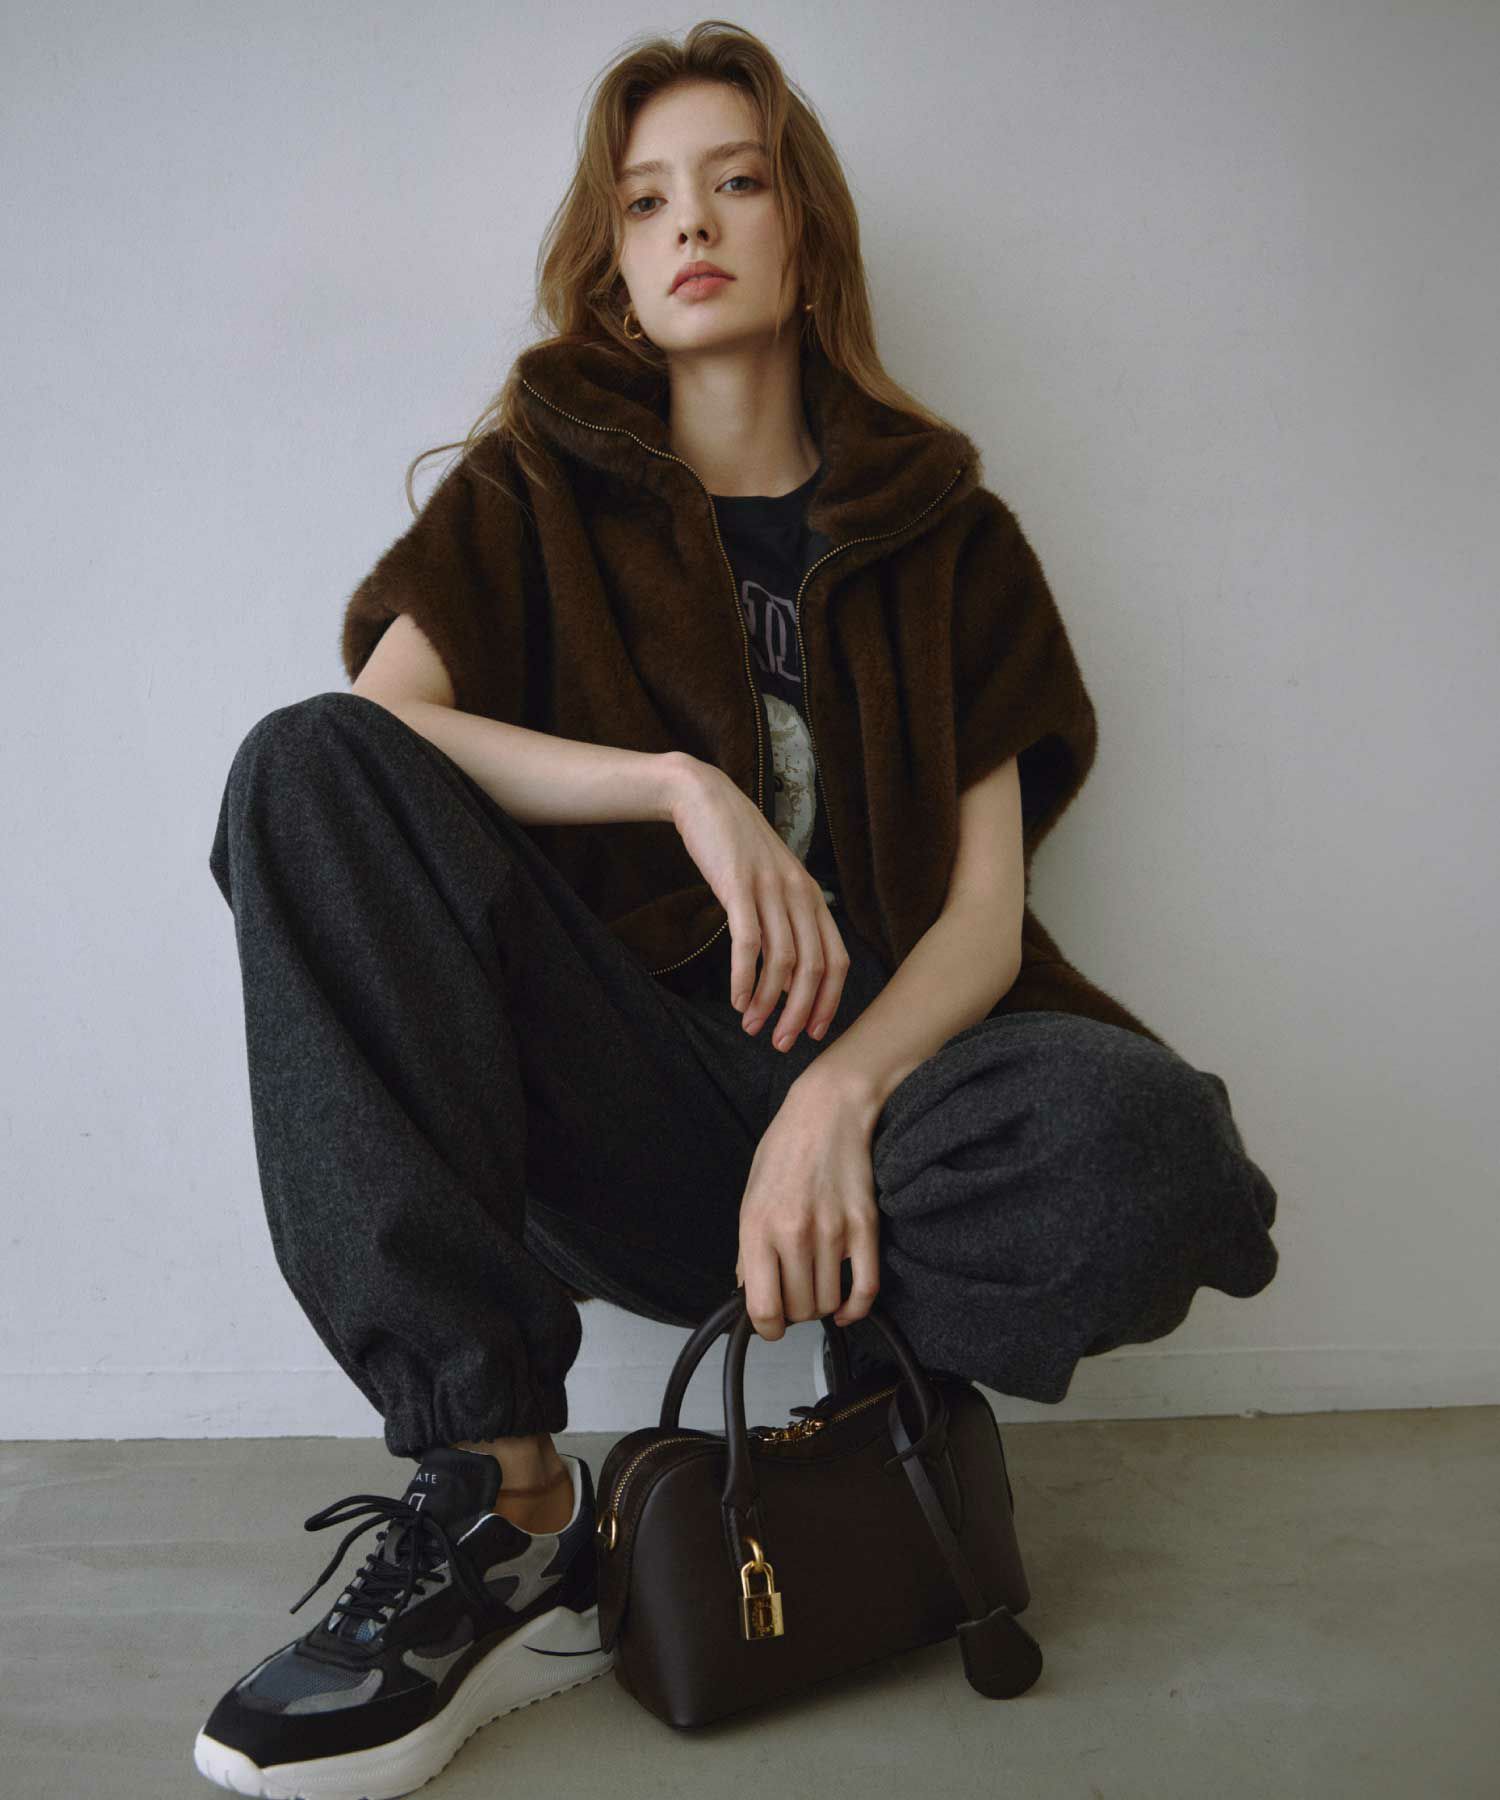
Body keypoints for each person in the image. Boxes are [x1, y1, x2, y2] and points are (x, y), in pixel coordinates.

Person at [192, 23, 1281, 1798]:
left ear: (804, 230)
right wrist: (677, 790)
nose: (689, 222)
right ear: (615, 262)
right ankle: (502, 1501)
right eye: (644, 201)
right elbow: (381, 735)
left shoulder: (948, 533)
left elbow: (983, 925)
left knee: (1148, 1144)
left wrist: (839, 1098)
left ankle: (877, 1363)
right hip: (623, 1097)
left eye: (736, 180)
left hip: (887, 1123)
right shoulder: (532, 491)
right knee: (299, 768)